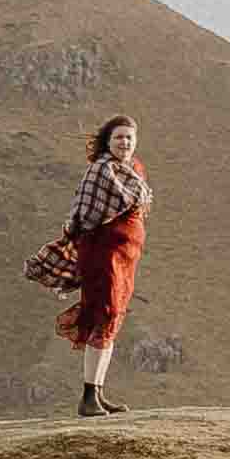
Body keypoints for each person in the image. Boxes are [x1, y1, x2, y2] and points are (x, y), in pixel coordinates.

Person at [26, 112, 150, 413]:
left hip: (124, 258)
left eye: (129, 138)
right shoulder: (100, 171)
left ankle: (98, 393)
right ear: (108, 141)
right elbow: (86, 213)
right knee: (104, 314)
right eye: (119, 137)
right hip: (101, 255)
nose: (124, 142)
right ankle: (88, 397)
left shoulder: (133, 171)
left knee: (113, 317)